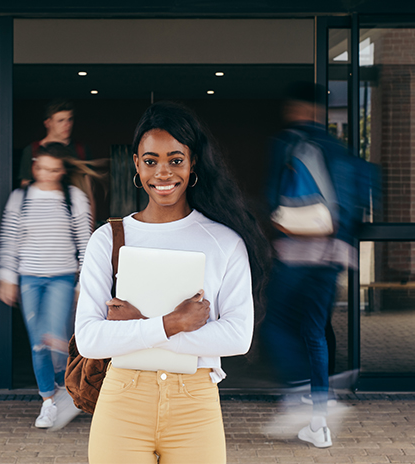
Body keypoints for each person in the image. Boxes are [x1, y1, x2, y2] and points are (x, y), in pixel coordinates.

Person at [74, 102, 270, 464]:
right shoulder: (109, 238)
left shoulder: (225, 241)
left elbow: (237, 337)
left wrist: (139, 328)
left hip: (194, 405)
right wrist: (172, 323)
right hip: (123, 401)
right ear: (136, 164)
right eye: (151, 161)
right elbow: (89, 338)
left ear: (193, 162)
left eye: (175, 160)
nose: (163, 172)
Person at [262, 82, 376, 448]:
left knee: (274, 325)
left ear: (295, 108)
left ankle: (299, 394)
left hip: (297, 252)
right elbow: (366, 190)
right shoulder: (339, 148)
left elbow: (271, 197)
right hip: (334, 255)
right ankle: (320, 421)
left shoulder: (288, 142)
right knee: (314, 331)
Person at [0, 142, 93, 429]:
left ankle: (68, 389)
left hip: (62, 278)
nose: (47, 174)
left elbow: (85, 241)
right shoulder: (20, 198)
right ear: (35, 166)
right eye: (42, 168)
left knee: (52, 334)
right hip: (29, 278)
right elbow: (10, 239)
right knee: (38, 342)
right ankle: (49, 401)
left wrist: (82, 283)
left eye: (54, 169)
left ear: (62, 170)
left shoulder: (73, 197)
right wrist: (7, 277)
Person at [18, 99, 99, 224]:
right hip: (41, 219)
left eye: (69, 119)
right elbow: (25, 189)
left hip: (75, 219)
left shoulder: (81, 150)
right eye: (60, 120)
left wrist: (90, 227)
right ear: (48, 123)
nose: (67, 125)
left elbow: (89, 192)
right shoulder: (33, 150)